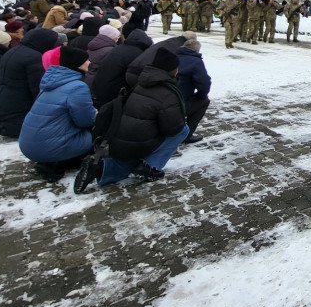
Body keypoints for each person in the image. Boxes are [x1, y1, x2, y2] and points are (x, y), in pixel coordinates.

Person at [73, 47, 190, 192]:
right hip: (138, 143)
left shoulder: (141, 83)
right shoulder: (167, 93)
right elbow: (172, 129)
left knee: (126, 165)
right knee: (183, 130)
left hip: (119, 139)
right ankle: (150, 167)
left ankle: (101, 168)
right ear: (171, 70)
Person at [18, 47, 97, 181]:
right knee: (98, 138)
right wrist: (96, 113)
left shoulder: (50, 82)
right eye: (86, 60)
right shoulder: (77, 86)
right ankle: (58, 164)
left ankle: (51, 161)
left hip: (29, 145)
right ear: (76, 64)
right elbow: (85, 121)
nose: (89, 62)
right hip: (50, 147)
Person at [174, 36, 211, 143]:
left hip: (162, 99)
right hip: (179, 103)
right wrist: (200, 96)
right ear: (196, 50)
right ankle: (186, 135)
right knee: (204, 101)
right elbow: (204, 84)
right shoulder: (195, 62)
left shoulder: (172, 56)